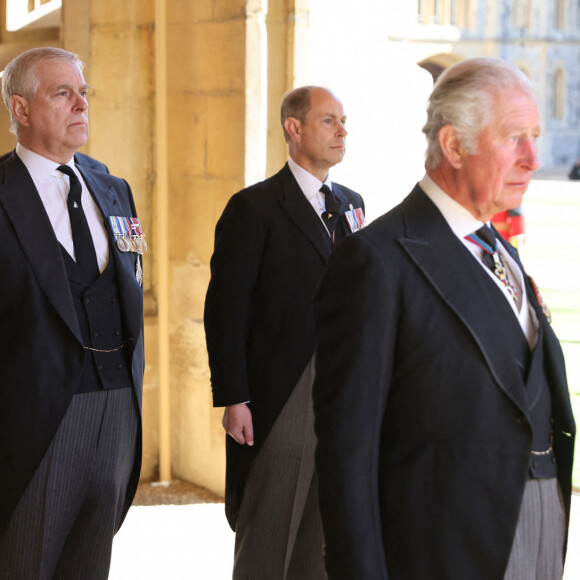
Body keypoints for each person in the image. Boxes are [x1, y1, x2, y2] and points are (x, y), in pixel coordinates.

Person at [312, 58, 575, 580]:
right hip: (441, 549)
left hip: (542, 533)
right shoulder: (376, 261)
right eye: (514, 137)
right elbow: (347, 455)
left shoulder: (500, 249)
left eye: (536, 136)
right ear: (454, 146)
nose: (532, 158)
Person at [204, 85, 365, 579]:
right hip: (280, 396)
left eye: (343, 120)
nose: (342, 131)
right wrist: (234, 398)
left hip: (341, 395)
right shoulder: (254, 207)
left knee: (321, 545)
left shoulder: (353, 204)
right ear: (293, 129)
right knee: (268, 543)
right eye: (328, 121)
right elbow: (225, 310)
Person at [0, 47, 145, 578]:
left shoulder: (113, 188)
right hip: (33, 422)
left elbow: (128, 286)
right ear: (19, 109)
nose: (80, 104)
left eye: (83, 93)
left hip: (117, 413)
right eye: (62, 93)